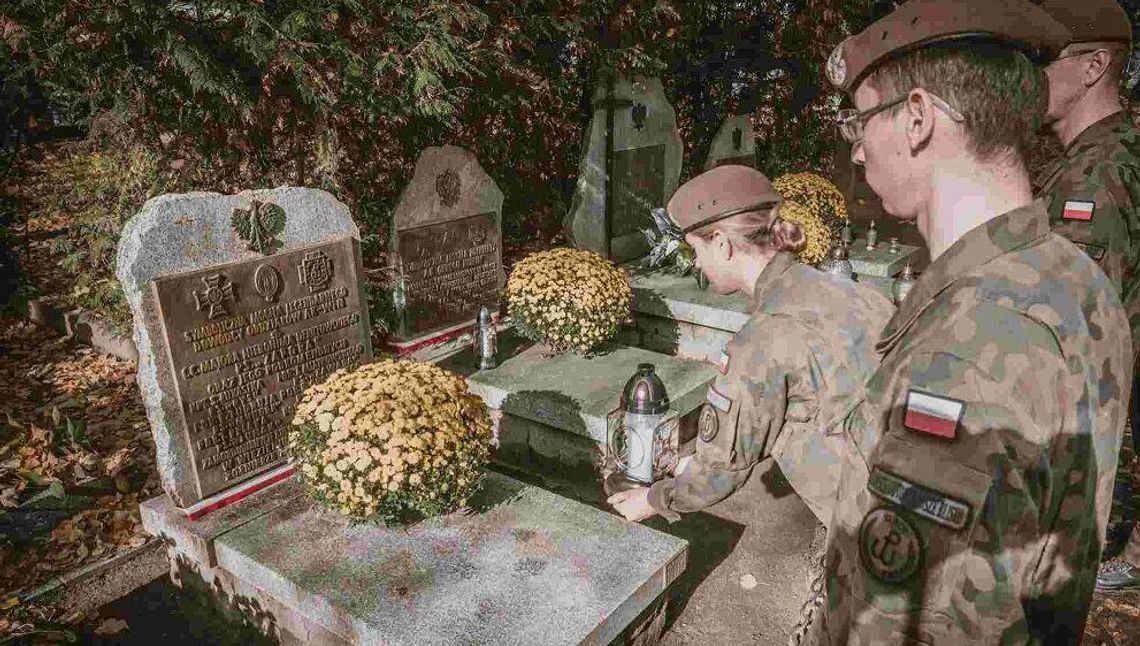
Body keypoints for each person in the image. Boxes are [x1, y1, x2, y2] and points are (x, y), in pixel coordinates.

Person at [803, 0, 1132, 643]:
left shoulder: (962, 354)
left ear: (918, 119)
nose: (859, 152)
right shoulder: (1072, 276)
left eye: (860, 121)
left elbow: (906, 623)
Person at [607, 164, 895, 530]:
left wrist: (653, 498)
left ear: (722, 244)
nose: (696, 262)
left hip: (871, 531)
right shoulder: (852, 291)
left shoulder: (761, 343)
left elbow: (721, 472)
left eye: (696, 249)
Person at [1034, 0, 1140, 592]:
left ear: (1095, 65)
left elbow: (1077, 333)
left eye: (1044, 60)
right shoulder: (1100, 152)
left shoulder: (1096, 175)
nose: (1030, 77)